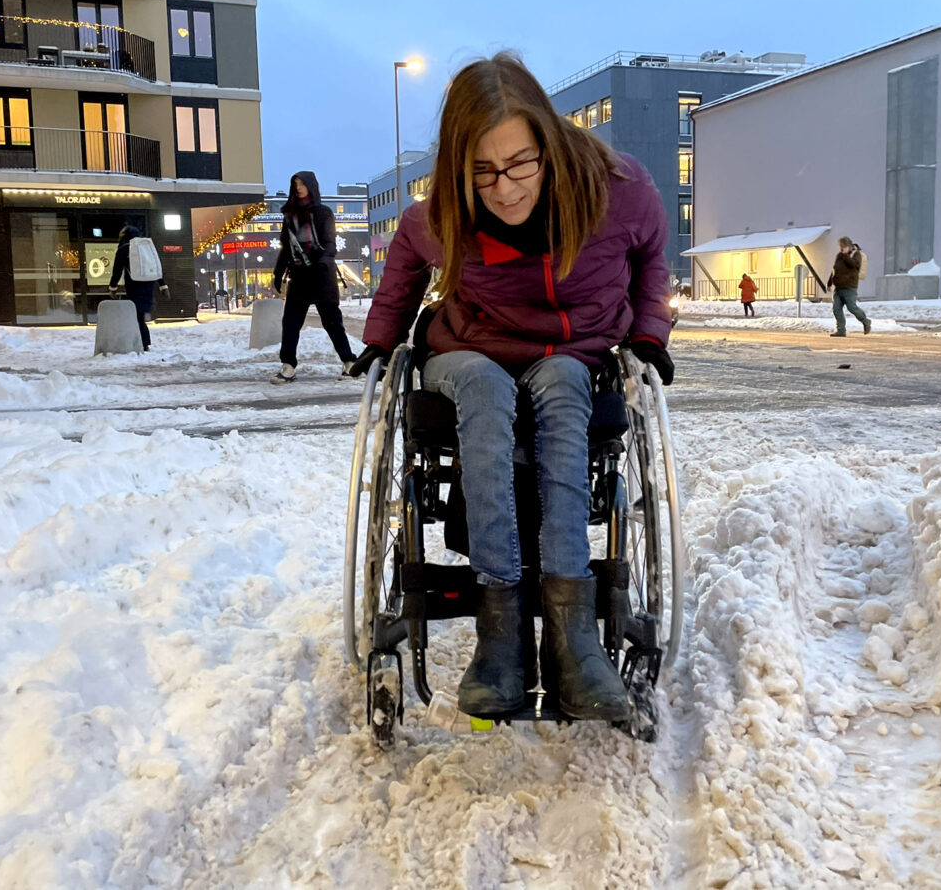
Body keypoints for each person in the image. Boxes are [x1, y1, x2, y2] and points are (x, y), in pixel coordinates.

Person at [347, 52, 674, 722]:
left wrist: (648, 335)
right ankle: (501, 639)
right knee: (486, 389)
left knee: (561, 387)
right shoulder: (443, 213)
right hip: (469, 348)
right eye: (484, 171)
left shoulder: (617, 189)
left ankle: (572, 639)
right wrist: (381, 340)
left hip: (570, 354)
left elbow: (650, 259)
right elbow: (406, 258)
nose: (505, 188)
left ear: (548, 143)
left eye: (520, 162)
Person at [270, 171, 357, 382]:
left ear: (311, 186)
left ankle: (349, 362)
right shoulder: (290, 216)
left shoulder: (323, 213)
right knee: (290, 322)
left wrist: (325, 260)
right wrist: (277, 274)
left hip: (321, 276)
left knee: (332, 322)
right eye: (295, 184)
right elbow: (285, 248)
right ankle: (288, 365)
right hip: (299, 276)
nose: (298, 187)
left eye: (302, 183)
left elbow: (330, 243)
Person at [107, 225, 168, 350]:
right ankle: (144, 343)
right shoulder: (145, 249)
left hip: (134, 286)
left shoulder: (123, 250)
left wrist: (113, 287)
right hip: (148, 285)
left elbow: (117, 271)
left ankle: (142, 344)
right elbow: (156, 266)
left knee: (137, 317)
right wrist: (163, 285)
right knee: (139, 316)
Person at [827, 236, 871, 336]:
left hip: (849, 287)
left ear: (849, 246)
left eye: (844, 246)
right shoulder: (839, 255)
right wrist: (829, 282)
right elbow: (835, 269)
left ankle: (865, 321)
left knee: (852, 307)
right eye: (840, 246)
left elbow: (855, 265)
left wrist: (846, 255)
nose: (841, 248)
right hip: (838, 288)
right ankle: (841, 330)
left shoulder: (856, 254)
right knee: (836, 309)